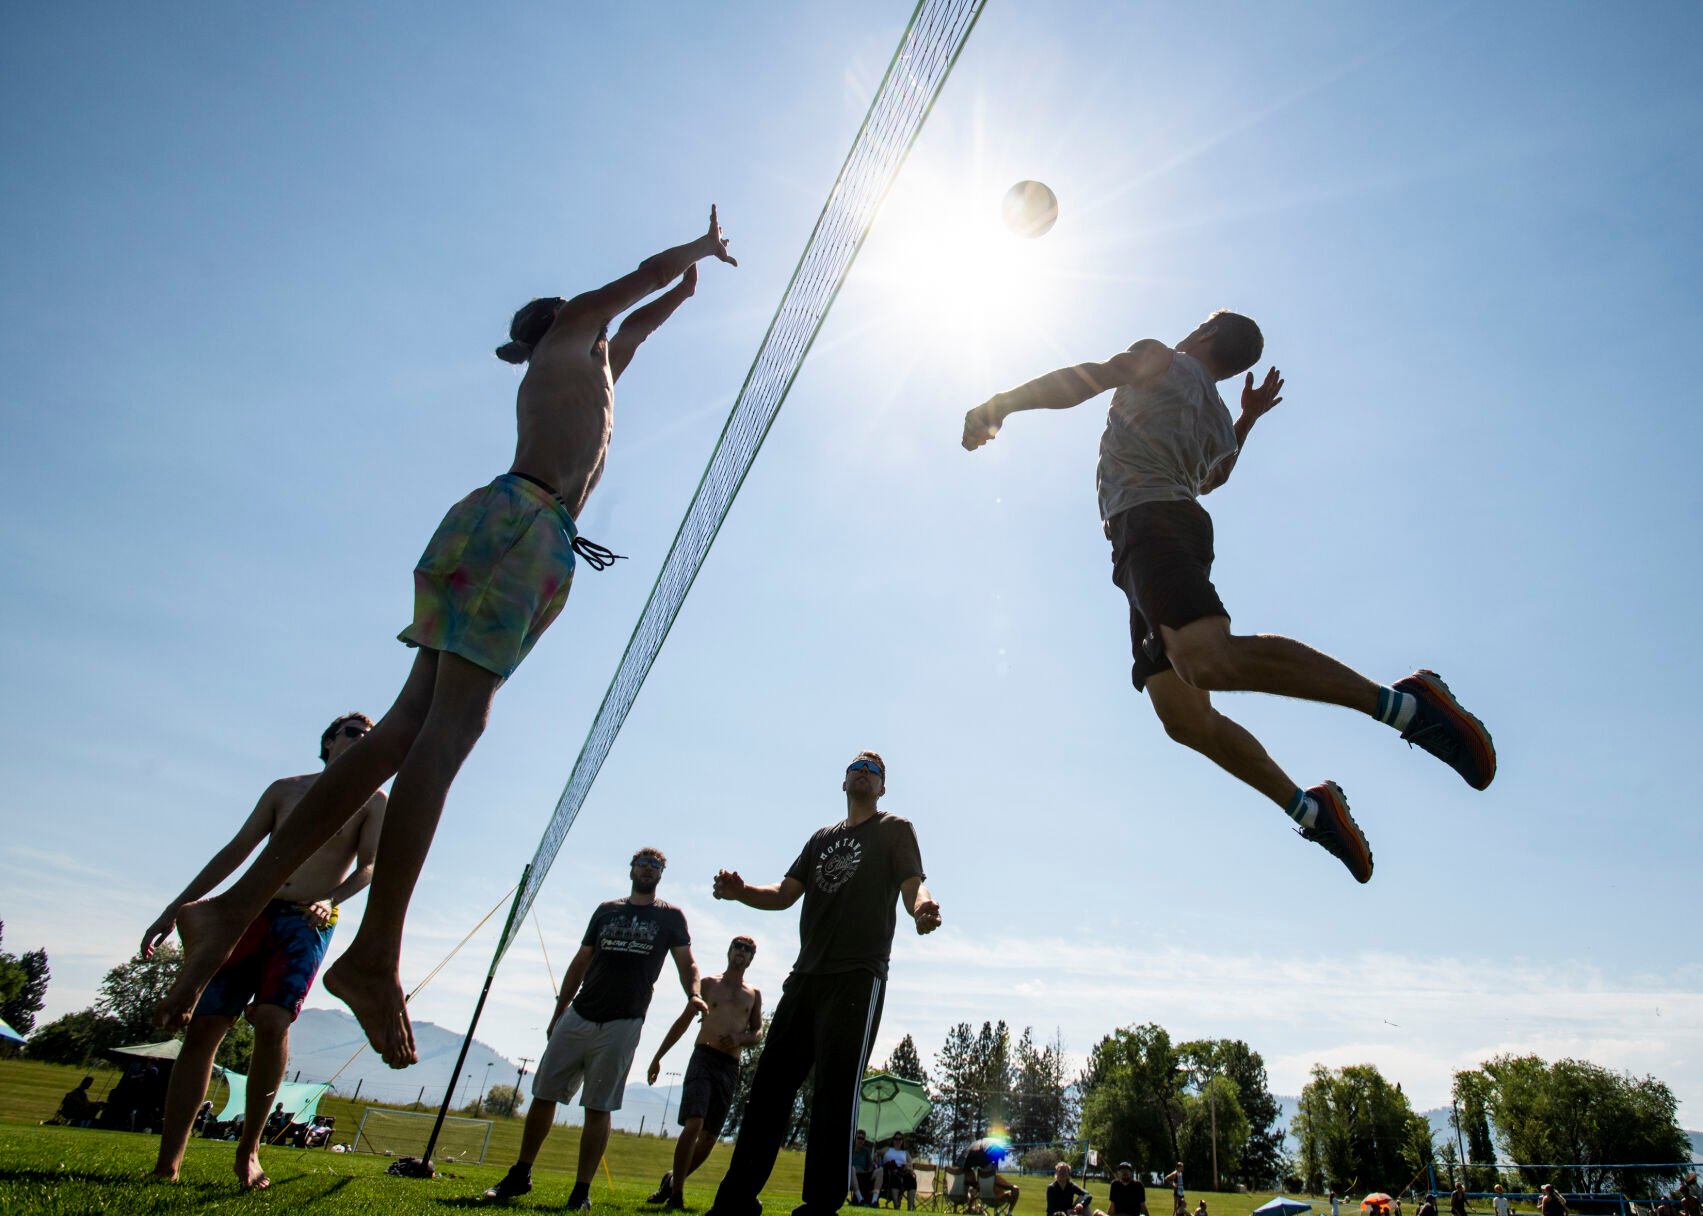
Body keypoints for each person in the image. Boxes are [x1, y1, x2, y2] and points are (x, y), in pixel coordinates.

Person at [151, 209, 738, 1064]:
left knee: (400, 732)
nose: (610, 330)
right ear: (561, 322)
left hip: (507, 526)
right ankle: (373, 954)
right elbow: (633, 285)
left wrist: (685, 294)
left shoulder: (592, 368)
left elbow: (639, 321)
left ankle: (235, 910)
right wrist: (688, 254)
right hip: (520, 525)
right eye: (597, 320)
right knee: (449, 731)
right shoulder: (568, 334)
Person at [961, 311, 1497, 883]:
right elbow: (1214, 478)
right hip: (1151, 536)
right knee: (1184, 716)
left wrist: (1000, 403)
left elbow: (1089, 376)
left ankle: (1409, 706)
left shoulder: (1160, 355)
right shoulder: (1217, 417)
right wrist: (1246, 418)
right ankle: (1314, 812)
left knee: (1207, 660)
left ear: (1208, 335)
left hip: (1153, 525)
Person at [140, 712, 384, 1188]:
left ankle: (249, 1150)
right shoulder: (285, 789)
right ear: (329, 741)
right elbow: (236, 851)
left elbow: (370, 866)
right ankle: (167, 1162)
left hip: (305, 922)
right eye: (354, 733)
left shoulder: (373, 801)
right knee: (206, 1026)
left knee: (272, 1021)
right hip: (248, 912)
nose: (363, 741)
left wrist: (329, 900)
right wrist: (175, 907)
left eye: (371, 738)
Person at [705, 750, 942, 1216]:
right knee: (770, 1087)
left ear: (882, 788)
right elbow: (783, 894)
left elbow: (913, 883)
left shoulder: (895, 828)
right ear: (843, 781)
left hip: (858, 976)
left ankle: (819, 1205)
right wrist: (740, 891)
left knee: (835, 1092)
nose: (864, 772)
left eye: (874, 770)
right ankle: (736, 1200)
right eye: (857, 766)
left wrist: (922, 909)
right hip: (806, 977)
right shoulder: (820, 839)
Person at [484, 847, 699, 1210]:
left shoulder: (671, 917)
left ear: (662, 874)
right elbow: (581, 960)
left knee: (598, 1107)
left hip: (623, 1022)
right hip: (580, 1014)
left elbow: (687, 962)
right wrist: (558, 1012)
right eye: (642, 864)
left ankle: (580, 1192)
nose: (648, 869)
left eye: (655, 866)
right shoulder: (606, 910)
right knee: (543, 1094)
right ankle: (520, 1174)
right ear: (631, 869)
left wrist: (693, 994)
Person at [644, 936, 764, 1210]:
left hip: (729, 1066)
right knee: (694, 1122)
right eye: (737, 947)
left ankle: (673, 1181)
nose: (741, 953)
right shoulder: (709, 984)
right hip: (704, 1058)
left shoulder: (753, 994)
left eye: (747, 950)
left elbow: (757, 1032)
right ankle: (676, 1196)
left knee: (709, 1136)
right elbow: (685, 1020)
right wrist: (658, 1057)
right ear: (729, 950)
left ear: (751, 958)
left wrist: (740, 1038)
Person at [881, 1132, 919, 1210]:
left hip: (903, 1172)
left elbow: (910, 1165)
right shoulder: (887, 1149)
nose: (898, 1141)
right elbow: (876, 1153)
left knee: (912, 1179)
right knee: (895, 1177)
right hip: (890, 1173)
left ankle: (910, 1207)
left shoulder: (905, 1153)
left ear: (902, 1141)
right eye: (896, 1139)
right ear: (893, 1140)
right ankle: (896, 1205)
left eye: (900, 1139)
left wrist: (908, 1168)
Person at [852, 1130, 878, 1206]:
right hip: (851, 1176)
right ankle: (860, 1199)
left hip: (863, 1175)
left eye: (862, 1139)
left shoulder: (866, 1151)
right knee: (852, 1168)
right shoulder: (850, 1149)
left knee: (880, 1171)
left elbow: (870, 1165)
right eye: (859, 1138)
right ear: (855, 1138)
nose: (860, 1140)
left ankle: (874, 1201)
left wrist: (869, 1170)